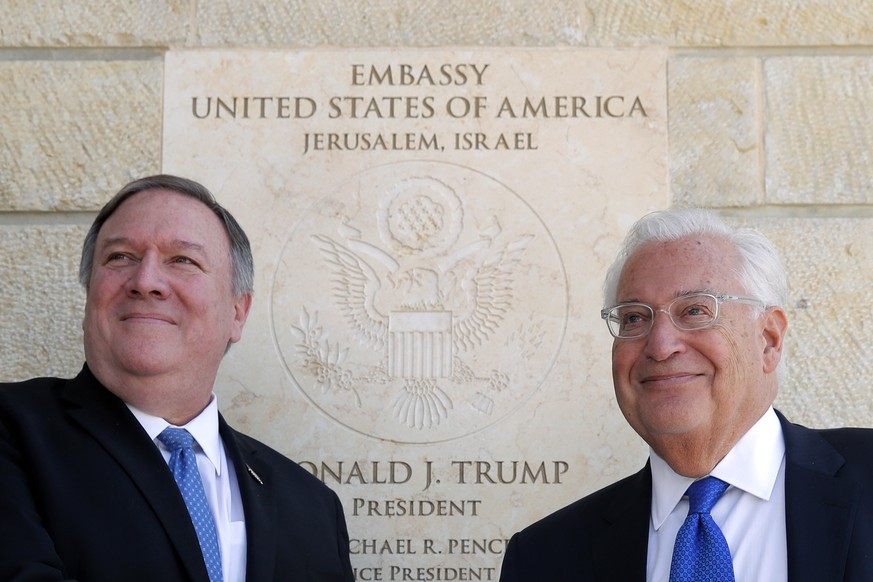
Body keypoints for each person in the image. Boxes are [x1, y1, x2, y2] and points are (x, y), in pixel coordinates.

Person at [0, 175, 355, 581]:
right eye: (120, 257)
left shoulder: (311, 506)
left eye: (182, 260)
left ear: (237, 313)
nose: (146, 281)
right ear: (89, 293)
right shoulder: (14, 433)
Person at [499, 208, 873, 581]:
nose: (660, 346)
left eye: (695, 310)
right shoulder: (542, 559)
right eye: (634, 317)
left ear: (769, 340)